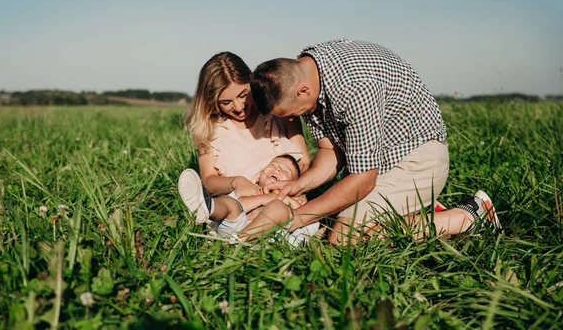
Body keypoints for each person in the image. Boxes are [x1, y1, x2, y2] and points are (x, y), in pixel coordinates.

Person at [250, 39, 502, 245]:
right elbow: (329, 151)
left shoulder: (356, 88)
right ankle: (413, 214)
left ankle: (468, 216)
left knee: (342, 237)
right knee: (331, 217)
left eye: (292, 113)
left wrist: (297, 218)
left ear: (302, 91)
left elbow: (364, 178)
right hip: (378, 163)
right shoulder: (309, 71)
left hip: (416, 159)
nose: (296, 118)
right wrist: (299, 185)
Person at [184, 51, 311, 202]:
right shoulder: (211, 128)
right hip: (242, 205)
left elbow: (304, 162)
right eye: (226, 102)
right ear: (212, 101)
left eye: (243, 95)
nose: (238, 107)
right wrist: (236, 182)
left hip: (284, 201)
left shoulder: (276, 112)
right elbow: (208, 180)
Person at [179, 154, 312, 242]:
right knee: (229, 202)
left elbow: (304, 216)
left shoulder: (291, 200)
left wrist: (286, 200)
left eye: (285, 171)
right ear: (260, 175)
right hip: (233, 228)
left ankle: (238, 241)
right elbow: (239, 204)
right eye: (273, 165)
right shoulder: (251, 189)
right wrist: (265, 198)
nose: (277, 170)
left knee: (278, 208)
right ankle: (207, 206)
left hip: (263, 239)